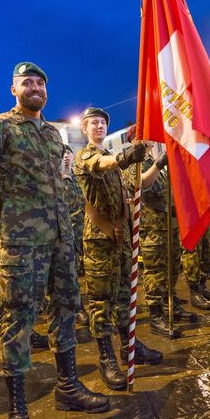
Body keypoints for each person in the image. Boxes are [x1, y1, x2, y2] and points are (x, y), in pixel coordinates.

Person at [0, 62, 109, 419]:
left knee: (65, 310)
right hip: (22, 245)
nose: (35, 87)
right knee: (18, 321)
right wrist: (6, 210)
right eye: (27, 82)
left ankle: (68, 387)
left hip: (60, 241)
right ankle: (19, 414)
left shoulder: (51, 135)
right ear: (14, 90)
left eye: (41, 83)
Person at [74, 108, 162, 392]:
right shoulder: (86, 156)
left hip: (121, 237)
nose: (99, 126)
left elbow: (138, 185)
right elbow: (103, 163)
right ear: (84, 129)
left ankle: (129, 347)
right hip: (99, 238)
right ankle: (106, 357)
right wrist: (125, 157)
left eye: (102, 122)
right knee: (101, 301)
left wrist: (158, 164)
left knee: (124, 294)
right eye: (93, 123)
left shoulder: (116, 165)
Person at [122, 125, 197, 338]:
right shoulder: (134, 163)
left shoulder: (155, 163)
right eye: (144, 136)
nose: (150, 139)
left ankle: (170, 305)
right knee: (156, 273)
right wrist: (158, 163)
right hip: (152, 229)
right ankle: (156, 315)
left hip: (169, 225)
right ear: (134, 140)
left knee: (173, 269)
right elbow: (141, 184)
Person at [62, 145, 89, 325]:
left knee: (85, 271)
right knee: (69, 273)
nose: (66, 157)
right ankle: (76, 307)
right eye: (62, 154)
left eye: (68, 153)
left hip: (83, 231)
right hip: (65, 233)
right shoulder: (55, 180)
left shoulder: (78, 178)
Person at [182, 227, 210, 310]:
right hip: (189, 218)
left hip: (201, 215)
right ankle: (194, 291)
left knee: (206, 246)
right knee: (192, 251)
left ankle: (202, 286)